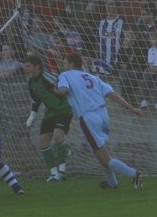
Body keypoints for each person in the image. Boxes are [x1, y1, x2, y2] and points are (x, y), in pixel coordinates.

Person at [55, 52, 144, 190]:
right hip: (103, 115)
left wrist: (55, 90)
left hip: (88, 118)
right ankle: (112, 183)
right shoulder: (92, 77)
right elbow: (112, 94)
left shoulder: (65, 75)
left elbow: (63, 90)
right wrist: (132, 108)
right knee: (101, 151)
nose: (63, 65)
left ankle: (134, 174)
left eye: (65, 62)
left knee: (103, 157)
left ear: (71, 64)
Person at [23, 54, 73, 182]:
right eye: (25, 67)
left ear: (37, 67)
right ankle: (53, 174)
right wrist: (32, 115)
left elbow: (61, 88)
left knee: (57, 137)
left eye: (28, 66)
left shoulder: (47, 77)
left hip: (63, 109)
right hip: (50, 112)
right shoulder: (31, 83)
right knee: (43, 143)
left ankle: (62, 171)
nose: (26, 69)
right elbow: (36, 100)